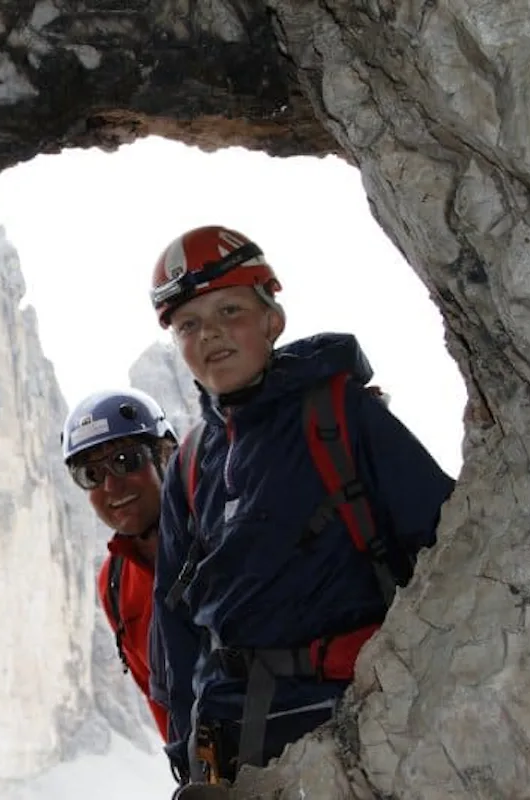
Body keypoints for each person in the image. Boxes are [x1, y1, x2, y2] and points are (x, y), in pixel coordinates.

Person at [147, 226, 455, 794]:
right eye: (188, 324)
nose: (210, 332)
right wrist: (188, 748)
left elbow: (444, 539)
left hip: (350, 715)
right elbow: (175, 623)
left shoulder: (340, 415)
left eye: (230, 309)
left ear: (273, 320)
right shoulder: (189, 465)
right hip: (232, 736)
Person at [61, 388, 178, 741]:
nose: (111, 484)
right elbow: (159, 696)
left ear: (166, 454)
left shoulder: (222, 530)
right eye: (90, 474)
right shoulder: (113, 582)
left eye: (127, 460)